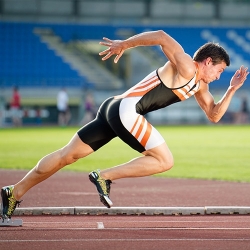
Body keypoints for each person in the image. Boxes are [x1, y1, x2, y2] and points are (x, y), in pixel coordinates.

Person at [1, 30, 249, 219]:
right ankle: (104, 177)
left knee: (67, 156)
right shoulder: (186, 65)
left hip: (113, 108)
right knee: (165, 160)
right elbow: (162, 36)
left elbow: (214, 115)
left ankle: (15, 192)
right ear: (207, 61)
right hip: (127, 111)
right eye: (220, 70)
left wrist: (231, 90)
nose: (219, 76)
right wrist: (124, 44)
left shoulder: (200, 86)